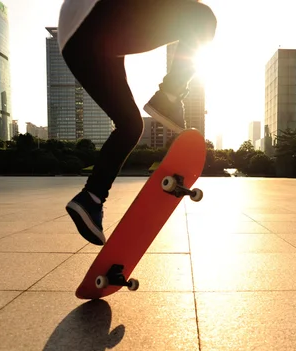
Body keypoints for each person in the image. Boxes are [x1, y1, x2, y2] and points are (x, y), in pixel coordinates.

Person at [57, 0, 217, 245]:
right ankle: (170, 94)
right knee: (202, 18)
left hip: (77, 43)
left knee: (130, 125)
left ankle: (91, 197)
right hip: (97, 17)